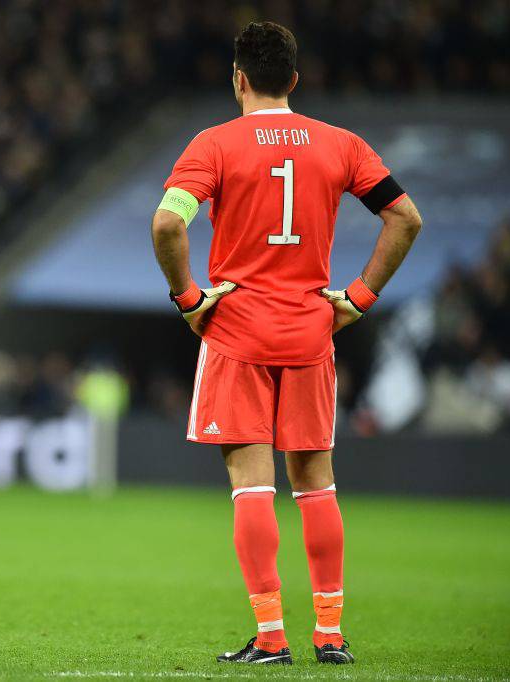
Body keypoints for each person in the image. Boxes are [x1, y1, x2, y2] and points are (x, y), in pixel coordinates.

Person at [150, 21, 422, 665]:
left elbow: (168, 224)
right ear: (294, 81)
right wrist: (358, 297)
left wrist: (188, 298)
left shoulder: (213, 146)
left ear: (238, 78)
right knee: (316, 485)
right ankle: (329, 633)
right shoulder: (341, 145)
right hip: (310, 332)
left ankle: (272, 636)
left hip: (237, 332)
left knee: (251, 484)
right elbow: (405, 217)